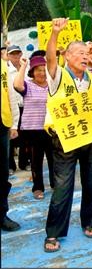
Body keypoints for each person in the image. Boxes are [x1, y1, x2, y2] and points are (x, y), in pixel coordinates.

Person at [43, 18, 92, 253]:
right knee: (62, 186)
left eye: (86, 53)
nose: (84, 56)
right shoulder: (58, 76)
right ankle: (54, 233)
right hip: (65, 139)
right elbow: (50, 58)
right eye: (78, 52)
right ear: (67, 56)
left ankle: (89, 222)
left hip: (91, 139)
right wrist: (55, 33)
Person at [13, 54, 54, 200]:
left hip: (50, 128)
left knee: (53, 159)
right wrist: (23, 65)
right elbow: (17, 85)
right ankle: (38, 188)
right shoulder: (28, 85)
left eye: (44, 70)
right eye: (38, 70)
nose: (42, 73)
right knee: (36, 160)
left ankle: (55, 184)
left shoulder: (52, 85)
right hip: (32, 129)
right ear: (32, 71)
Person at [1, 56, 21, 231]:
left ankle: (2, 215)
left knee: (2, 174)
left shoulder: (2, 66)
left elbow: (10, 94)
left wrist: (14, 123)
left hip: (2, 124)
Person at [6, 45, 28, 173]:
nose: (15, 56)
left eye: (17, 53)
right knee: (11, 137)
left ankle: (24, 163)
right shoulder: (6, 71)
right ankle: (10, 165)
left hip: (26, 107)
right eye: (12, 54)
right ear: (8, 56)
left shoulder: (27, 67)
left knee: (25, 137)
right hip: (12, 108)